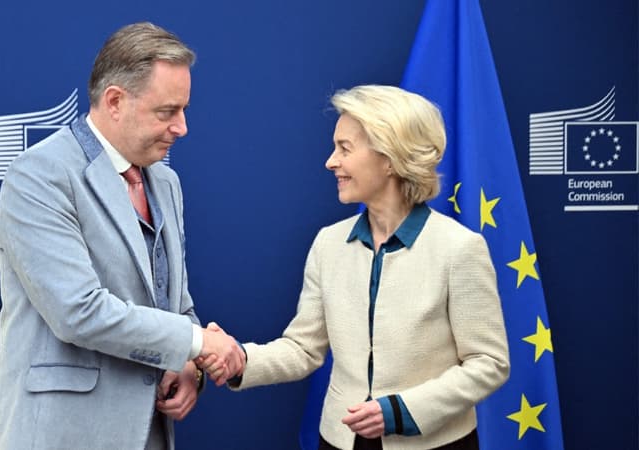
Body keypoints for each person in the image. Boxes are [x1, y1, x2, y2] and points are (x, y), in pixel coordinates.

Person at [203, 85, 510, 450]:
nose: (330, 162)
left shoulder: (459, 248)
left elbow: (489, 362)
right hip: (340, 440)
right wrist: (241, 359)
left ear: (390, 158)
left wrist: (402, 411)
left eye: (344, 148)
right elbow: (303, 348)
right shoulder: (328, 243)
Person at [0, 22, 244, 450]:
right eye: (167, 111)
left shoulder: (166, 183)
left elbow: (176, 304)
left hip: (150, 433)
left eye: (183, 110)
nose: (182, 127)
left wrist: (188, 365)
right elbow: (78, 311)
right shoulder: (38, 175)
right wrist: (197, 342)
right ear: (114, 101)